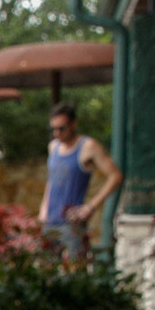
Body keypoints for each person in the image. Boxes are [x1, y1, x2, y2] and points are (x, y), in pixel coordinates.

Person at [40, 100, 121, 259]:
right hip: (50, 222)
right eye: (53, 129)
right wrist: (43, 209)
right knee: (46, 269)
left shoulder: (88, 146)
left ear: (73, 124)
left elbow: (115, 176)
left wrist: (91, 206)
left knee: (75, 269)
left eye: (61, 128)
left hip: (72, 224)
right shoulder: (53, 147)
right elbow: (52, 180)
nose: (57, 133)